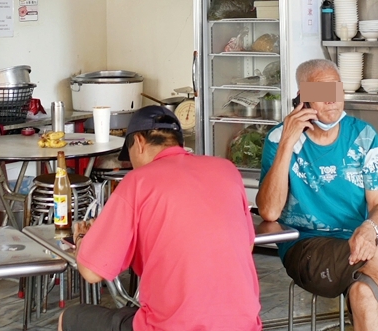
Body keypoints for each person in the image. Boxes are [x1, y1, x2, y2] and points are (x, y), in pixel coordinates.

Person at [60, 105, 261, 331]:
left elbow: (91, 272)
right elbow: (247, 244)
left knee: (70, 318)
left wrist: (82, 239)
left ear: (139, 142)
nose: (132, 164)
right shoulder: (227, 170)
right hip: (244, 324)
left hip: (171, 327)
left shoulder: (138, 181)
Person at [257, 59, 378, 331]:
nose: (331, 101)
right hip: (306, 247)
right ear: (303, 99)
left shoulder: (363, 135)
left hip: (358, 242)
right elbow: (269, 212)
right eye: (321, 94)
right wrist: (287, 143)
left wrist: (369, 226)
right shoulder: (278, 139)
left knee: (363, 294)